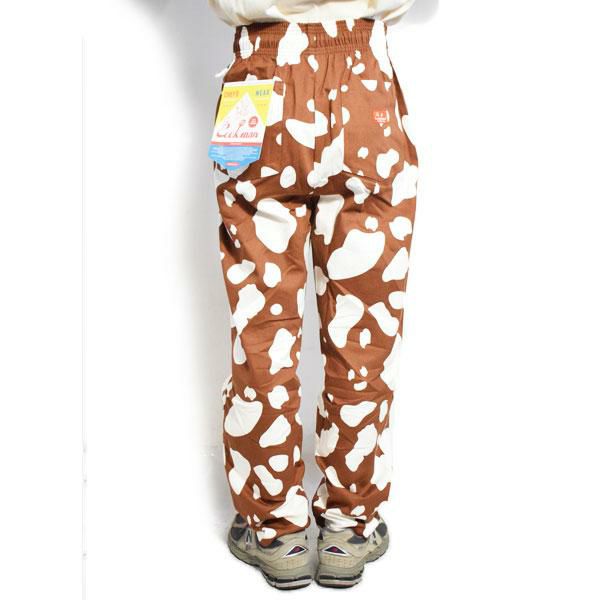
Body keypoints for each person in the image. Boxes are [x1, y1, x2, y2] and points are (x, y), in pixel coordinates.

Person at [208, 0, 418, 589]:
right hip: (364, 84)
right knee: (364, 325)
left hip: (260, 74)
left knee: (262, 324)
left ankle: (276, 529)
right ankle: (349, 523)